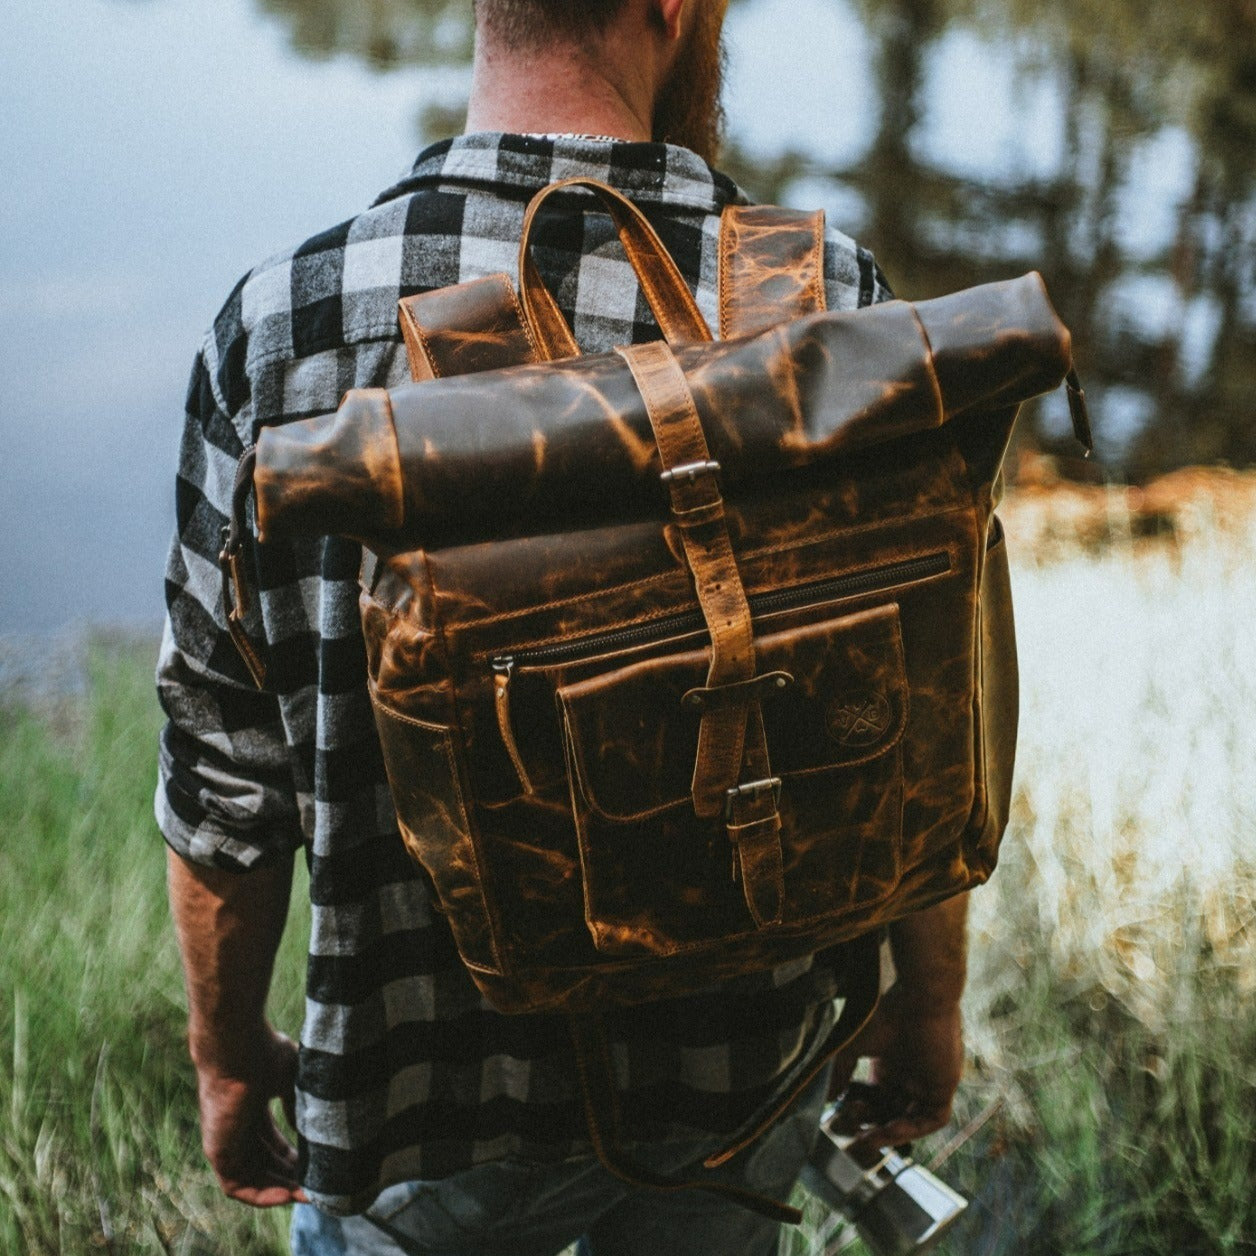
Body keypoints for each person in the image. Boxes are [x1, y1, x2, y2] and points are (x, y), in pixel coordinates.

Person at [157, 1, 969, 1252]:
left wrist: (224, 1052)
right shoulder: (819, 300)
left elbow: (225, 773)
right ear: (672, 9)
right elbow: (919, 706)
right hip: (735, 1071)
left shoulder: (287, 327)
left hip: (415, 1088)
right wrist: (925, 999)